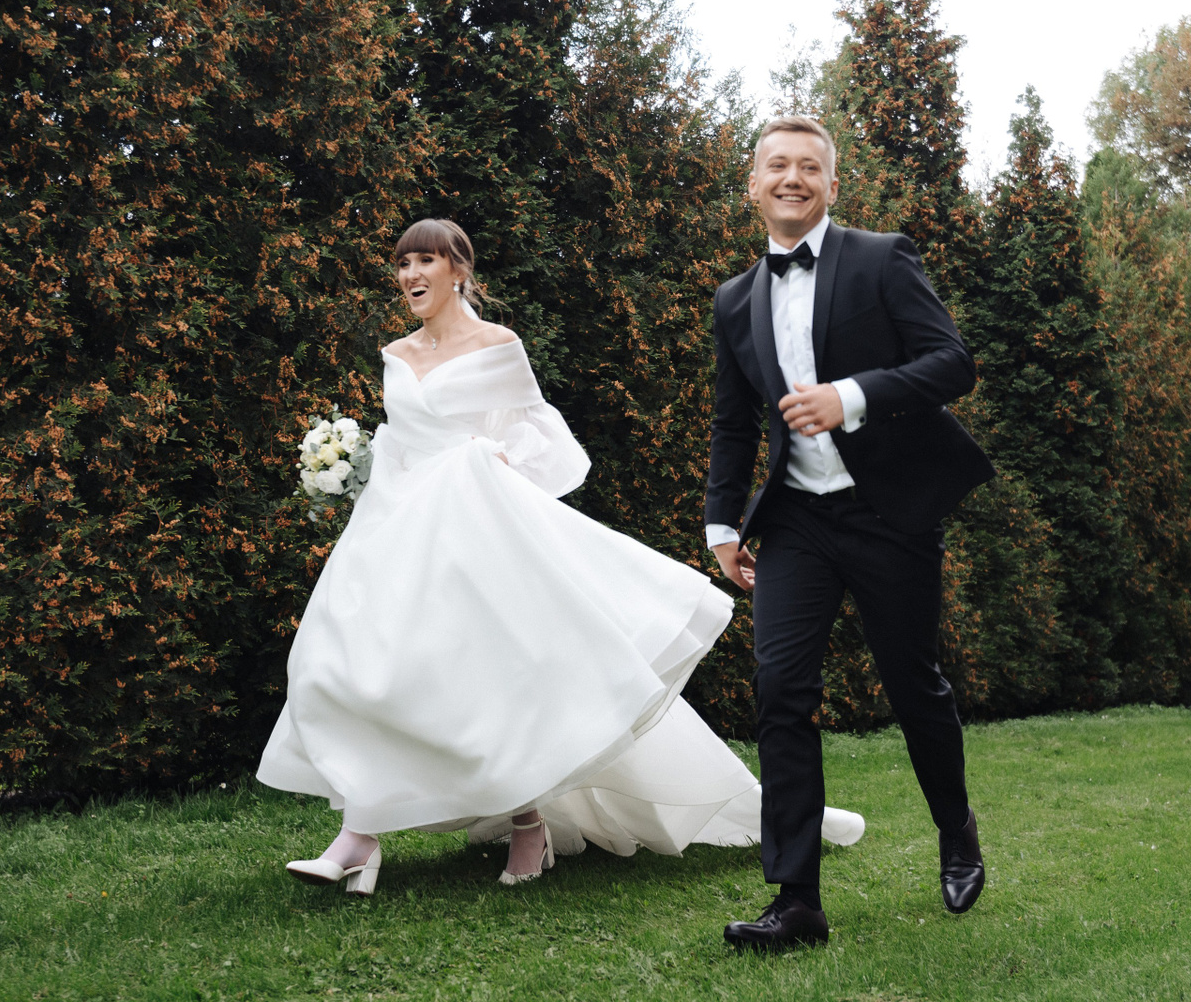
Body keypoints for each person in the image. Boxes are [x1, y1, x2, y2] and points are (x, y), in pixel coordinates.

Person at [259, 218, 863, 896]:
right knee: (349, 665)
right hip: (397, 532)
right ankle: (359, 836)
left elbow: (543, 433)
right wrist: (354, 471)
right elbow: (400, 441)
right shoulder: (395, 354)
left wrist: (498, 458)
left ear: (459, 271)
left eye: (424, 261)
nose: (410, 275)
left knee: (494, 675)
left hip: (475, 532)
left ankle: (524, 824)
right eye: (402, 264)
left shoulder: (498, 346)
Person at [707, 115, 996, 951]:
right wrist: (723, 521)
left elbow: (953, 363)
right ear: (753, 185)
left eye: (809, 167)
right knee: (780, 692)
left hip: (887, 514)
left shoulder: (881, 258)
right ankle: (796, 900)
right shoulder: (734, 299)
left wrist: (852, 396)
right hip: (797, 520)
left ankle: (955, 828)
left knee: (913, 685)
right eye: (777, 166)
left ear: (832, 186)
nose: (792, 178)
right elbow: (733, 423)